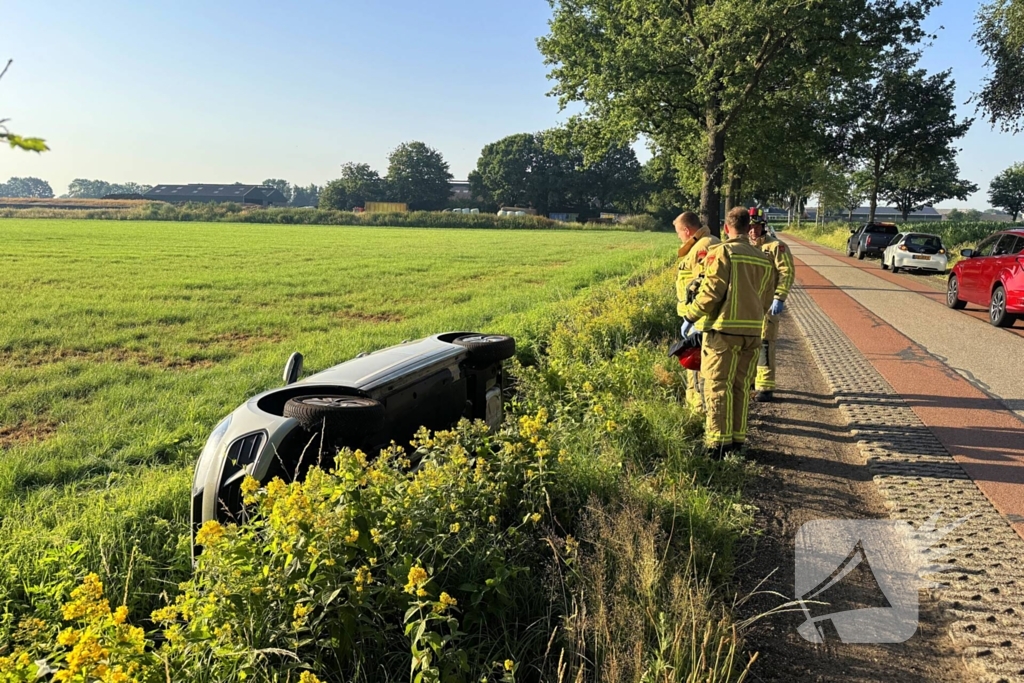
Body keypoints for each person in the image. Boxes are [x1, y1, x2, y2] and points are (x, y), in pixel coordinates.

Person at [679, 207, 776, 455]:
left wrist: (691, 316)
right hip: (753, 332)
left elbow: (711, 292)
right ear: (748, 227)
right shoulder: (763, 257)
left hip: (723, 332)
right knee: (741, 386)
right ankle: (737, 441)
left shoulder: (722, 251)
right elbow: (765, 300)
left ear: (726, 227)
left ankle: (717, 446)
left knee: (717, 386)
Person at [674, 211, 720, 412]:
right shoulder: (702, 244)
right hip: (695, 318)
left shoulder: (704, 247)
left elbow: (704, 284)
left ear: (687, 229)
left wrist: (692, 317)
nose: (678, 237)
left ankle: (699, 409)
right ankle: (696, 406)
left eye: (678, 232)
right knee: (696, 369)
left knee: (697, 368)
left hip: (699, 320)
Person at [748, 208, 795, 402]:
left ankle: (765, 387)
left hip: (767, 304)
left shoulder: (776, 247)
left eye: (756, 227)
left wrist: (779, 297)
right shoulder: (742, 246)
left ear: (763, 227)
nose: (752, 231)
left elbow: (787, 272)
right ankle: (749, 380)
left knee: (765, 343)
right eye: (749, 227)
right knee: (748, 343)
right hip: (746, 304)